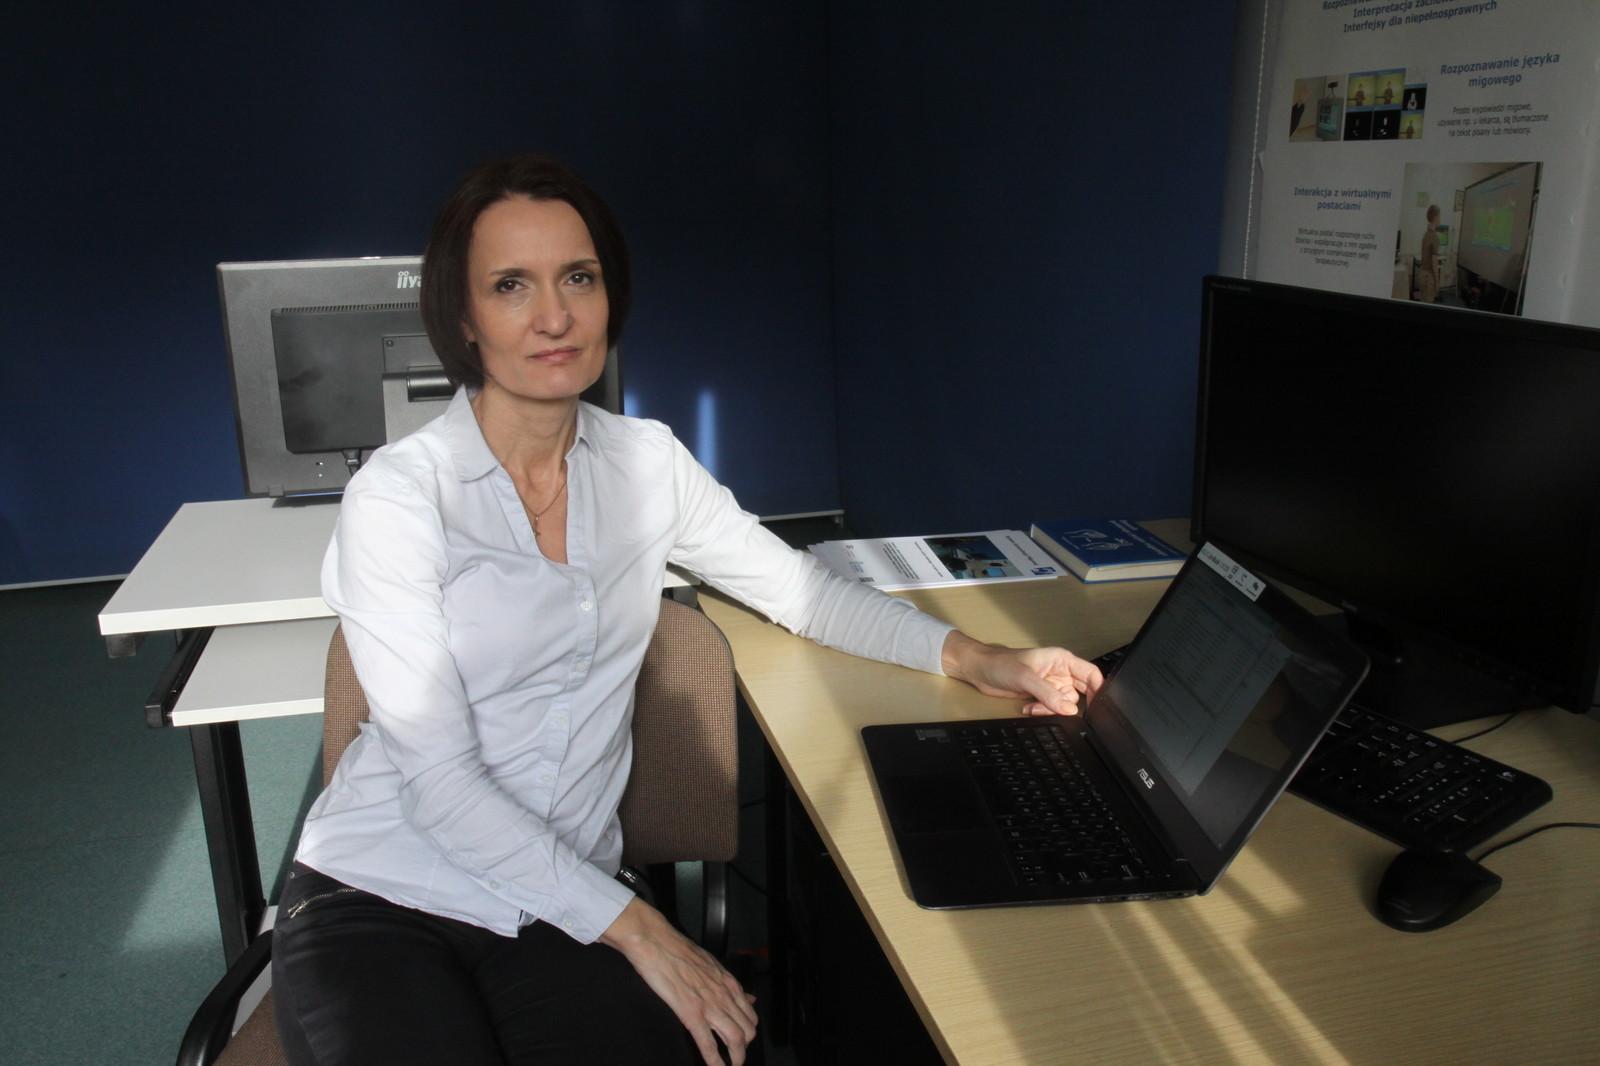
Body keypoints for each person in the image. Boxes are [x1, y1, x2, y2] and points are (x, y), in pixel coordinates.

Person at [271, 154, 1103, 1066]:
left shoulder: (646, 463)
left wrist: (978, 657)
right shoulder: (401, 498)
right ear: (462, 319)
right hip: (385, 890)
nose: (555, 316)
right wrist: (641, 928)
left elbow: (800, 591)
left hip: (559, 903)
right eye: (511, 286)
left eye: (578, 278)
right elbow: (438, 782)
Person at [1418, 204, 1442, 303]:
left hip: (1422, 274)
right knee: (1428, 303)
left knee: (1422, 300)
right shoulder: (1435, 237)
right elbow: (1434, 261)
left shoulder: (1426, 234)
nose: (1440, 219)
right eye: (1439, 216)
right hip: (1429, 276)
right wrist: (1437, 280)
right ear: (1435, 218)